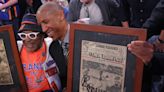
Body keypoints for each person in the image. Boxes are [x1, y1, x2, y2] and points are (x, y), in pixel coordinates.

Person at [17, 14, 62, 92]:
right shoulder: (16, 48)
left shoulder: (51, 46)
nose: (27, 39)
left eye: (32, 35)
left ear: (42, 36)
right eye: (23, 35)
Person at [36, 2, 68, 91]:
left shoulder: (83, 37)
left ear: (61, 15)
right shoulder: (52, 48)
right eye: (41, 25)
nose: (43, 29)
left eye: (46, 22)